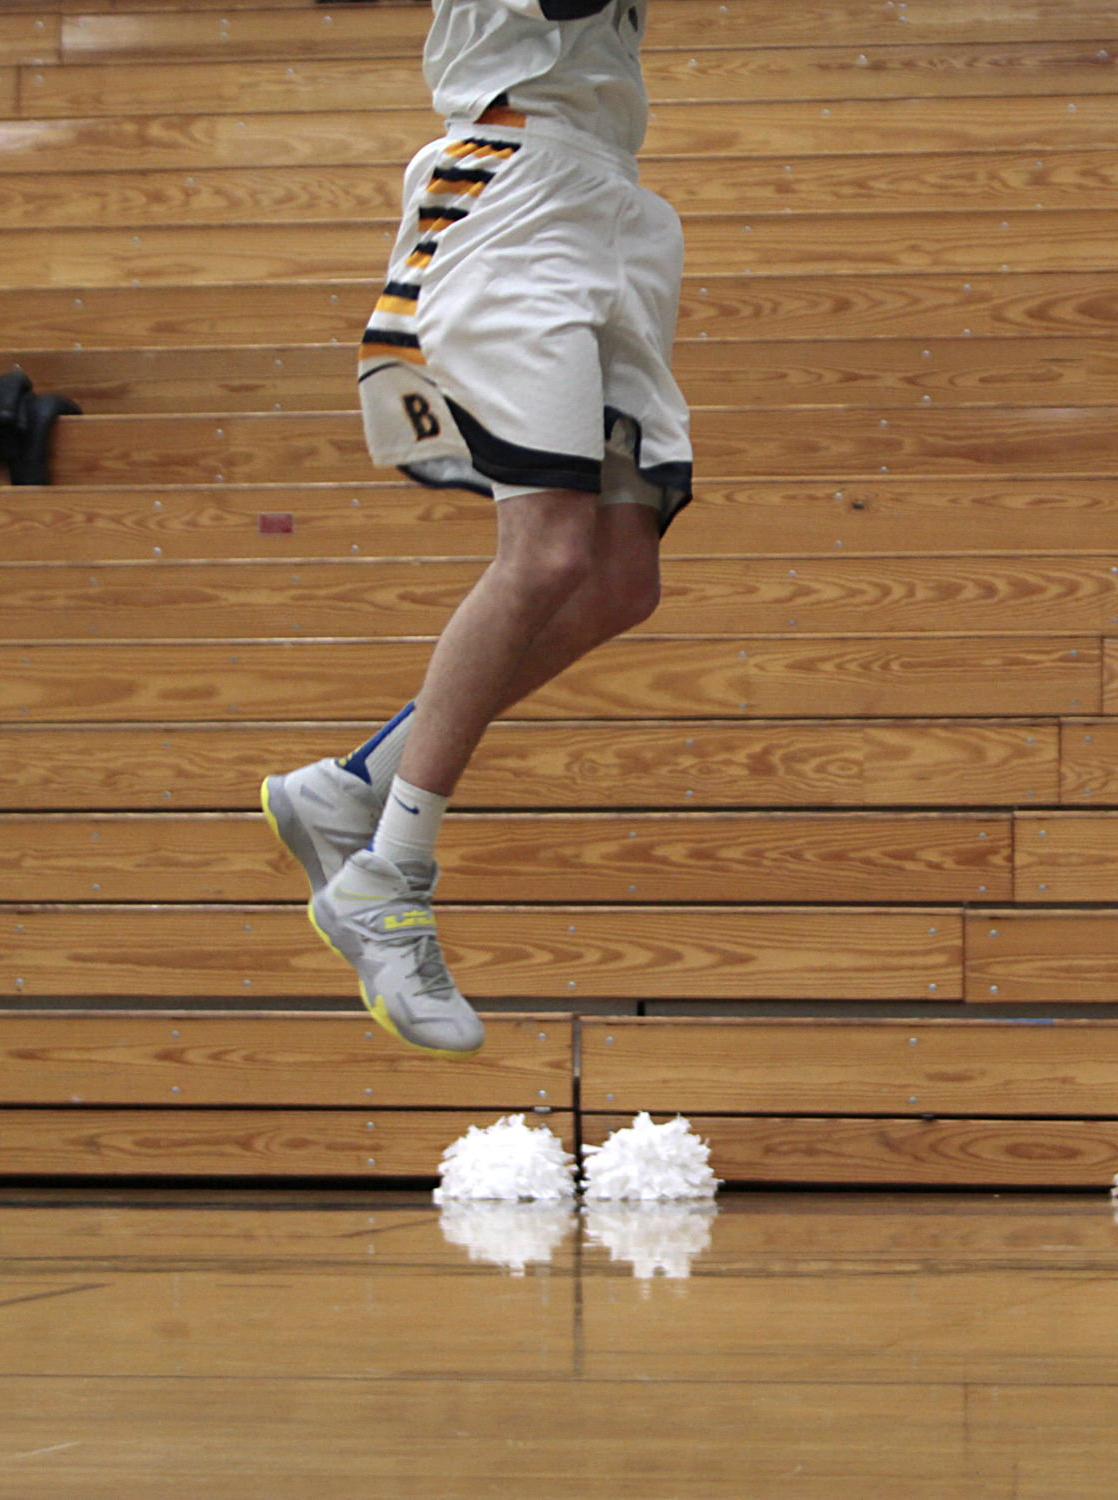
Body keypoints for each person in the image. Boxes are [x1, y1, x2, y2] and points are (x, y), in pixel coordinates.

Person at [261, 0, 692, 1056]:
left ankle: (349, 789)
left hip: (612, 200)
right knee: (546, 550)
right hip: (511, 187)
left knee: (620, 578)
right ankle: (388, 877)